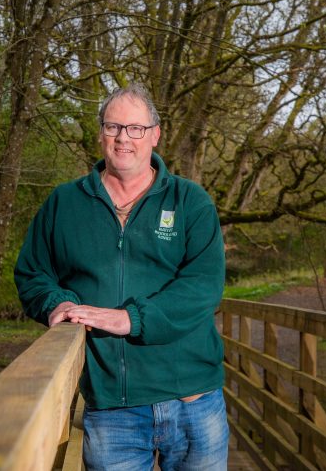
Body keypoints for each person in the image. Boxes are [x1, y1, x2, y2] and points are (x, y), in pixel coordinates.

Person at [14, 83, 229, 470]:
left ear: (155, 134)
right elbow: (32, 273)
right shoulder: (64, 203)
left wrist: (131, 318)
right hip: (114, 407)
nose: (123, 138)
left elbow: (203, 287)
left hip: (192, 399)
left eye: (135, 128)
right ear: (101, 133)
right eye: (113, 127)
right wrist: (55, 303)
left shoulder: (190, 202)